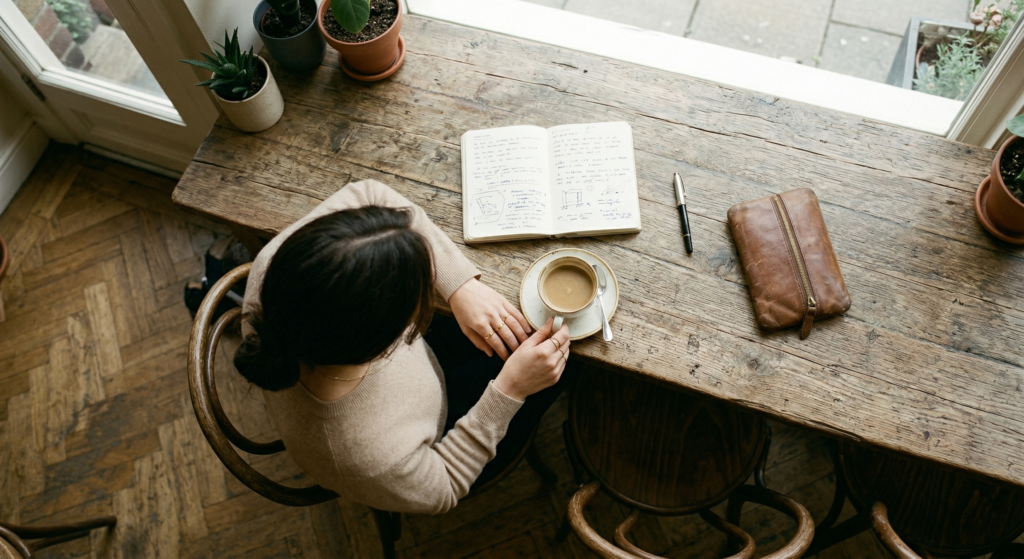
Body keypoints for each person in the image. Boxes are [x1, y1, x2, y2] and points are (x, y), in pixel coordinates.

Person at [234, 179, 577, 514]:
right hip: (443, 434)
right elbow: (445, 485)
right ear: (390, 339)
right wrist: (510, 389)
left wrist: (460, 287)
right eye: (419, 296)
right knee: (574, 358)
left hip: (419, 380)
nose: (430, 275)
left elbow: (372, 194)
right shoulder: (367, 455)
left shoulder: (274, 268)